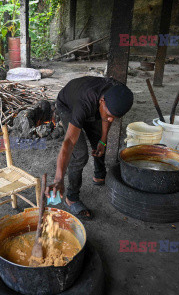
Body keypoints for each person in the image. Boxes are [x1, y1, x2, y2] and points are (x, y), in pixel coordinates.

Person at [45, 76, 134, 220]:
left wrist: (103, 141)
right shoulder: (84, 103)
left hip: (92, 104)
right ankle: (72, 197)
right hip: (68, 105)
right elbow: (69, 142)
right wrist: (58, 179)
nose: (111, 119)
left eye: (115, 117)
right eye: (110, 115)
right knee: (80, 154)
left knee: (98, 139)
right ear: (102, 101)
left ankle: (99, 175)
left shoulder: (117, 92)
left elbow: (107, 118)